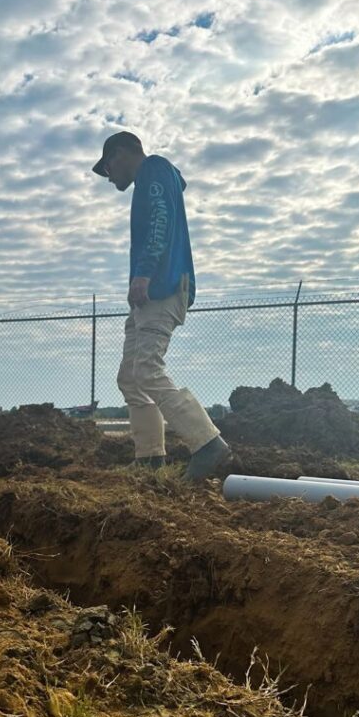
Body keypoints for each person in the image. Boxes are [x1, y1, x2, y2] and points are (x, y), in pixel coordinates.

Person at [92, 131, 231, 482]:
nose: (109, 178)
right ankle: (151, 458)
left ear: (121, 154)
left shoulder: (153, 170)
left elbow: (159, 221)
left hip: (161, 285)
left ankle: (208, 444)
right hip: (151, 292)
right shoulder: (156, 178)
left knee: (148, 370)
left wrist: (143, 274)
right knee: (131, 376)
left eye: (107, 168)